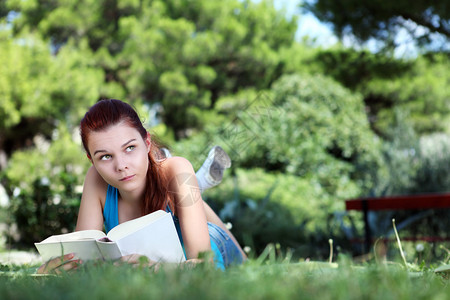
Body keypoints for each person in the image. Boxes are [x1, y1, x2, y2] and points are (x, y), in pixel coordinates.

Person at [37, 99, 245, 274]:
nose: (121, 166)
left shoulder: (177, 168)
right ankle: (194, 186)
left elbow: (205, 267)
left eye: (130, 148)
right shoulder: (96, 178)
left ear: (147, 143)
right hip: (172, 202)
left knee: (179, 177)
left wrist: (157, 269)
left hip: (212, 246)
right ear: (92, 160)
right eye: (105, 156)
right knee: (184, 190)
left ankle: (190, 187)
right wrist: (61, 269)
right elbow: (84, 260)